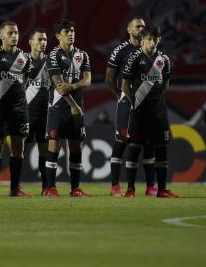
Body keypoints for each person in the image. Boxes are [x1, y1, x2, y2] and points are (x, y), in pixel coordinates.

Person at [121, 26, 178, 198]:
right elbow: (125, 85)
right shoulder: (134, 58)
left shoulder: (164, 60)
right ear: (142, 40)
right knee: (134, 148)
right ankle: (130, 189)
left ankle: (161, 189)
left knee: (161, 149)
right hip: (139, 111)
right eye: (149, 39)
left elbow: (166, 84)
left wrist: (156, 101)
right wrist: (136, 102)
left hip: (158, 113)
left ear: (159, 40)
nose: (152, 42)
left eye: (155, 39)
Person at [104, 17, 157, 197]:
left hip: (147, 105)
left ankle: (150, 187)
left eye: (143, 26)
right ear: (129, 29)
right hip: (128, 102)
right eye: (137, 26)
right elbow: (109, 78)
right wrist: (120, 95)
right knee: (121, 141)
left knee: (148, 143)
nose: (141, 29)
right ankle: (115, 186)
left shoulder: (150, 51)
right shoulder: (120, 50)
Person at [0, 21, 32, 197]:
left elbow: (26, 79)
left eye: (16, 33)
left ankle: (14, 188)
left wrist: (20, 97)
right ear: (1, 36)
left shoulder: (24, 57)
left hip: (20, 109)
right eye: (10, 33)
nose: (14, 36)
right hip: (1, 109)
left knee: (18, 149)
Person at [43, 19, 91, 197]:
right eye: (66, 32)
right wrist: (73, 105)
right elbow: (58, 84)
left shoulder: (82, 55)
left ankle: (75, 188)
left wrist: (72, 86)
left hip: (76, 109)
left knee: (76, 148)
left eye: (72, 31)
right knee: (54, 146)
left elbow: (88, 80)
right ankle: (51, 188)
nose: (71, 34)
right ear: (58, 36)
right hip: (58, 108)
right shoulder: (53, 55)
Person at [25, 28, 51, 195]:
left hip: (46, 115)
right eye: (39, 39)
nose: (43, 43)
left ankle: (46, 187)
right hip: (25, 113)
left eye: (45, 40)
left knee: (44, 152)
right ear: (30, 42)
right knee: (19, 151)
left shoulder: (51, 62)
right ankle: (15, 187)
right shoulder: (22, 62)